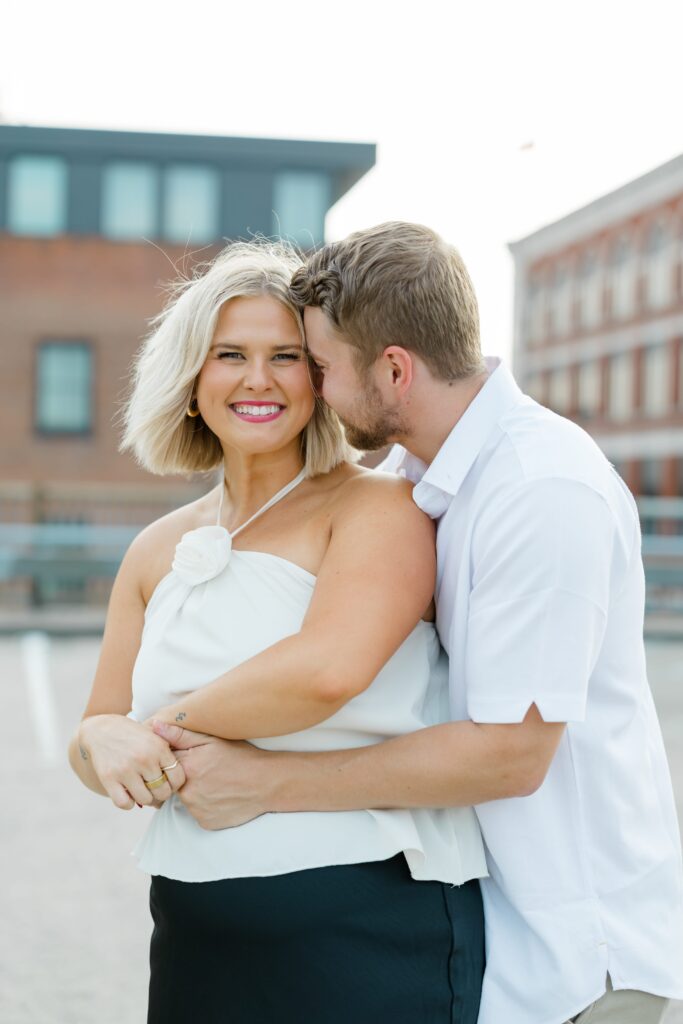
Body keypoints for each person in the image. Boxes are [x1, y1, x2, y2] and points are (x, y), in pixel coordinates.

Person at [156, 222, 683, 1024]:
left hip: (584, 957)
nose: (315, 393)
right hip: (487, 938)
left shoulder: (542, 488)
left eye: (320, 368)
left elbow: (508, 756)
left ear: (393, 369)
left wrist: (266, 784)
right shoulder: (411, 474)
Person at [68, 240, 487, 1024]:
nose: (257, 379)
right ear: (192, 380)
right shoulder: (154, 548)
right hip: (193, 932)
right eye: (230, 354)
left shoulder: (376, 510)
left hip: (366, 929)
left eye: (286, 356)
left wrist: (149, 731)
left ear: (320, 378)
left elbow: (326, 670)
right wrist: (100, 743)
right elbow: (94, 732)